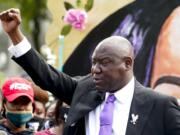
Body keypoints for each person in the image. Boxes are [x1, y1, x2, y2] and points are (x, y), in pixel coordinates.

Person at [0, 8, 180, 135]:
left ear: (127, 63)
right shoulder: (83, 89)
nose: (95, 69)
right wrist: (15, 34)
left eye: (104, 63)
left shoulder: (160, 106)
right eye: (94, 63)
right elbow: (47, 76)